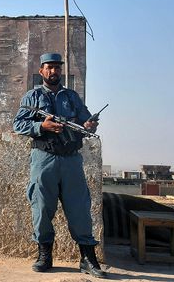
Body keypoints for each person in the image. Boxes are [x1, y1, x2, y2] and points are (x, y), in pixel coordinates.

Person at [12, 52, 106, 278]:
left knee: (80, 210)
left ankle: (88, 259)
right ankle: (45, 255)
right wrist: (41, 127)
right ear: (42, 71)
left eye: (57, 68)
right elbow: (18, 124)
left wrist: (89, 124)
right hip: (44, 158)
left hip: (72, 160)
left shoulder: (71, 97)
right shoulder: (32, 97)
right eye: (49, 67)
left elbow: (85, 123)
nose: (54, 71)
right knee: (42, 208)